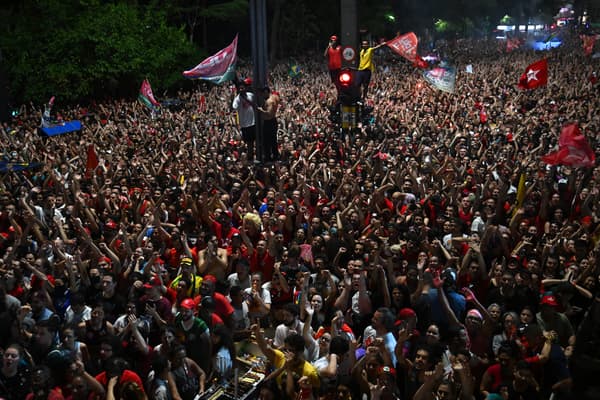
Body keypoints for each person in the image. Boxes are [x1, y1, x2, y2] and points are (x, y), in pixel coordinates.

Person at [232, 77, 256, 161]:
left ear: (245, 88)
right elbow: (234, 108)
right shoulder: (237, 99)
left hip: (254, 123)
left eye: (243, 87)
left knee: (258, 141)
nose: (241, 89)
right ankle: (250, 159)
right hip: (245, 126)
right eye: (240, 88)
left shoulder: (251, 95)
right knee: (249, 144)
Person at [257, 87, 280, 163]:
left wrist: (260, 110)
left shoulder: (269, 101)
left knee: (267, 141)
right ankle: (275, 156)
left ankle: (268, 158)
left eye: (263, 93)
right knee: (273, 140)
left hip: (269, 122)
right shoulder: (275, 96)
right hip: (273, 121)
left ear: (266, 92)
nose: (262, 95)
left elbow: (269, 113)